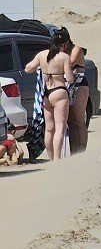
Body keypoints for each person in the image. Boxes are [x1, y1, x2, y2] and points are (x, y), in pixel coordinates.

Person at [25, 28, 73, 162]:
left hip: (46, 94)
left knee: (49, 129)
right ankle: (57, 159)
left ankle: (51, 159)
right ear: (63, 44)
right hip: (59, 92)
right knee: (60, 128)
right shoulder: (64, 57)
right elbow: (69, 79)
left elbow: (28, 69)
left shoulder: (42, 55)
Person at [61, 31, 90, 155]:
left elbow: (70, 63)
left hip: (79, 85)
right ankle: (74, 151)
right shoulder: (63, 52)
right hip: (67, 85)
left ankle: (82, 149)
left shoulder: (76, 49)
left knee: (79, 120)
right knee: (70, 121)